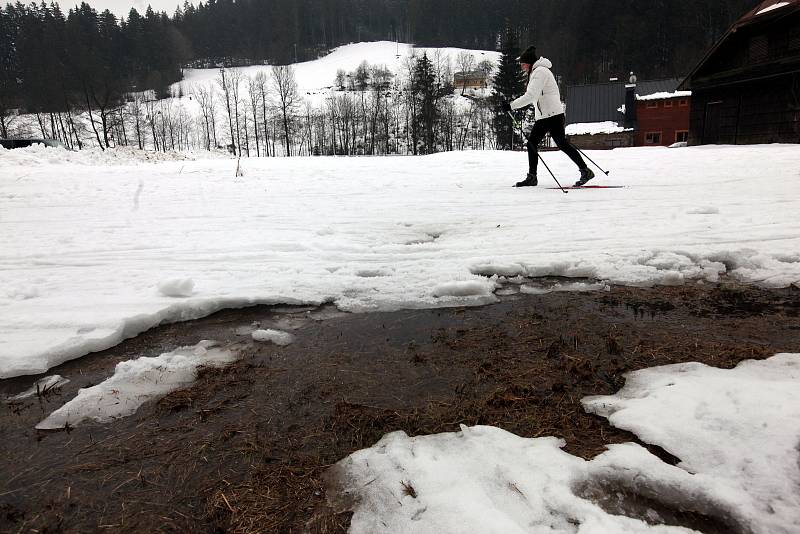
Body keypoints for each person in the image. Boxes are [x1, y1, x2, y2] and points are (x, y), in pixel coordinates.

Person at [503, 46, 594, 188]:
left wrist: (511, 105)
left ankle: (532, 177)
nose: (522, 68)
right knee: (560, 144)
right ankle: (585, 170)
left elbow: (531, 96)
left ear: (529, 63)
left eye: (523, 64)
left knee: (532, 143)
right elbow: (535, 96)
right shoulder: (537, 72)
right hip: (551, 114)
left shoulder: (540, 72)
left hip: (549, 116)